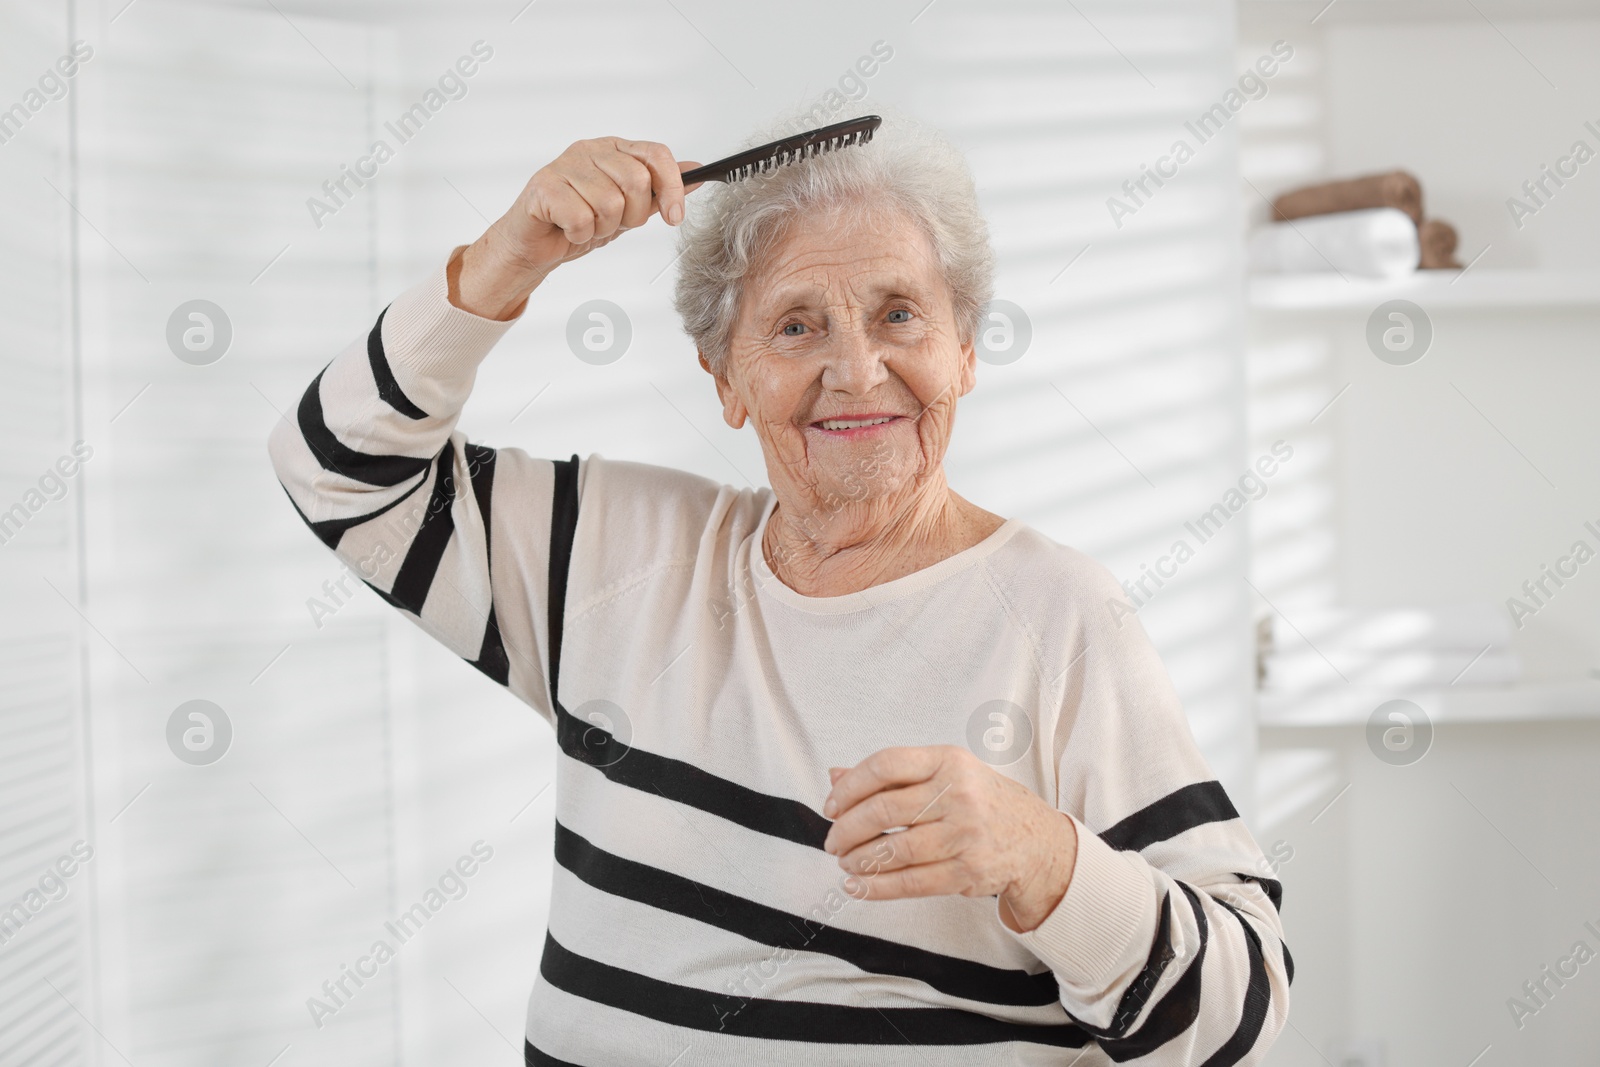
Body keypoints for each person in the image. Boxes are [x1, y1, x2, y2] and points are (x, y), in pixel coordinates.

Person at [267, 105, 1291, 1065]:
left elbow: (1238, 1009)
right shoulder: (619, 551)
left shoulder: (1058, 617)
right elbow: (338, 473)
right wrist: (510, 256)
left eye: (899, 314)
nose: (857, 370)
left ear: (965, 351)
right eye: (797, 325)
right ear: (725, 377)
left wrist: (1045, 859)